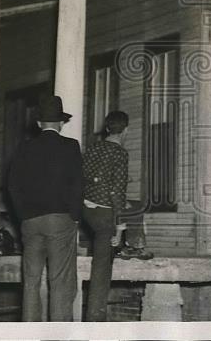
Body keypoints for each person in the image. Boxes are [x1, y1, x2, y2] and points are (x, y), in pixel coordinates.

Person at [6, 95, 83, 321]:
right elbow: (78, 184)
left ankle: (30, 333)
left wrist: (23, 215)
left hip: (30, 221)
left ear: (39, 123)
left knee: (31, 282)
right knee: (60, 282)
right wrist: (75, 216)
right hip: (60, 219)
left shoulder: (24, 148)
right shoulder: (70, 146)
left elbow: (12, 186)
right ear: (61, 123)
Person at [80, 110, 130, 321]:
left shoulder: (92, 148)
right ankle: (95, 320)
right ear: (125, 130)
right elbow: (117, 192)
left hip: (85, 209)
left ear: (107, 128)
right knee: (101, 269)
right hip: (104, 214)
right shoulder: (120, 153)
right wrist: (120, 228)